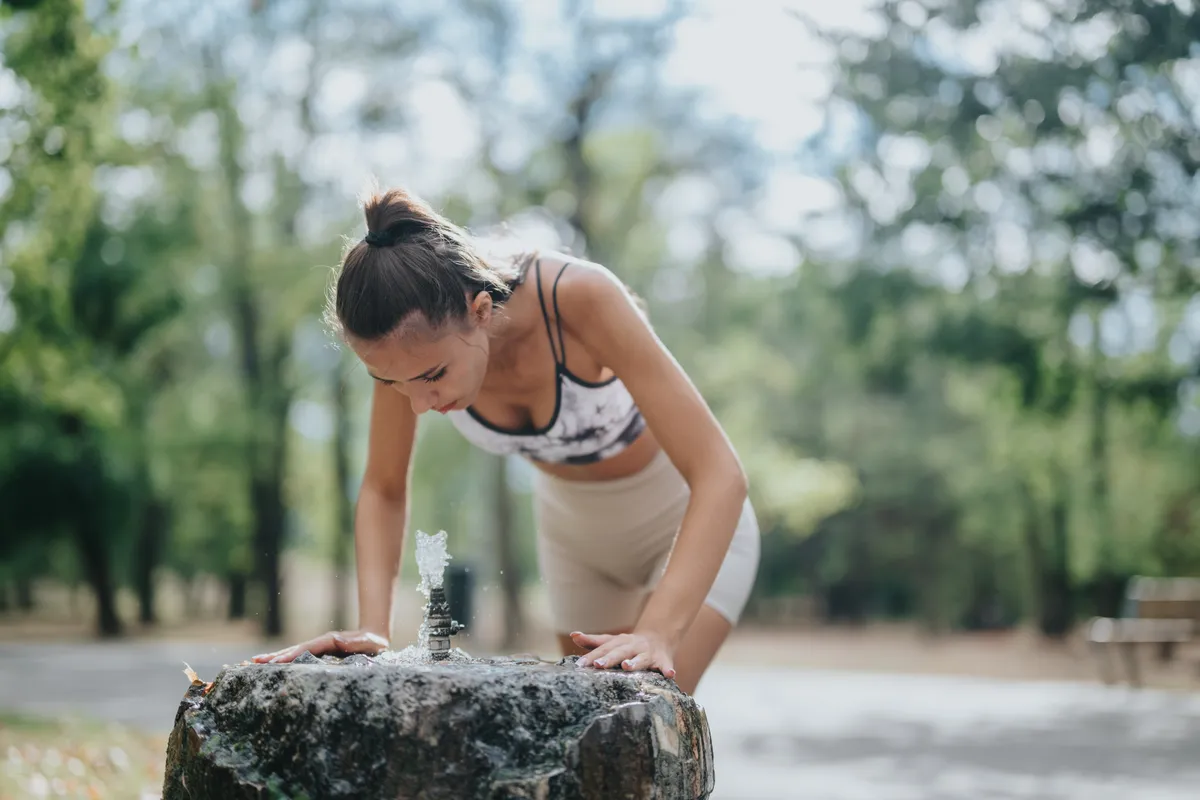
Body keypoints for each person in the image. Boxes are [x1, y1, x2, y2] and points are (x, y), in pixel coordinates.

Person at [253, 187, 760, 694]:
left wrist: (658, 632)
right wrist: (373, 627)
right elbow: (384, 486)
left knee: (646, 722)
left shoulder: (581, 297)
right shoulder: (403, 354)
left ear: (478, 310)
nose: (418, 403)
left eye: (433, 376)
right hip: (575, 545)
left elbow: (721, 474)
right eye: (391, 384)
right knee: (590, 753)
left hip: (686, 525)